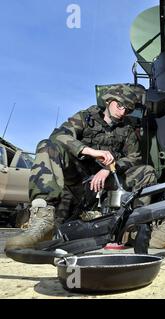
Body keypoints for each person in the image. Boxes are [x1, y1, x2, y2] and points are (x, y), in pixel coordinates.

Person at [5, 84, 156, 251]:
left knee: (146, 172)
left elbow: (134, 158)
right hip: (78, 175)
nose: (122, 112)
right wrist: (89, 151)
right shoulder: (85, 117)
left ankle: (133, 229)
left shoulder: (126, 129)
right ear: (109, 101)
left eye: (127, 109)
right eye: (120, 106)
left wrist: (108, 169)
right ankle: (42, 218)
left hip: (106, 180)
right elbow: (59, 135)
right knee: (47, 146)